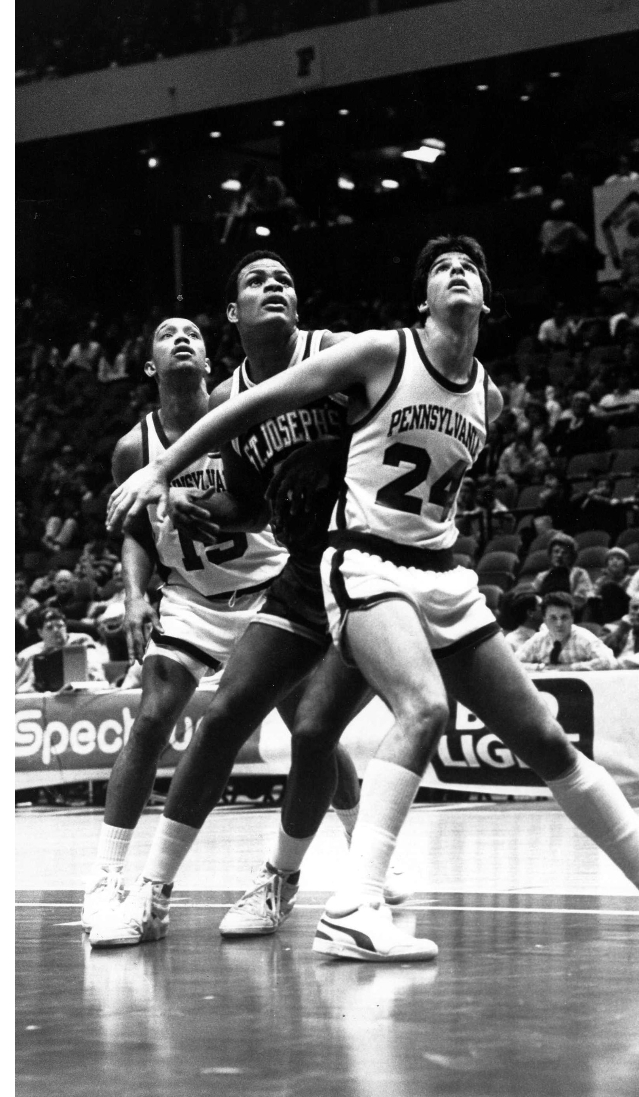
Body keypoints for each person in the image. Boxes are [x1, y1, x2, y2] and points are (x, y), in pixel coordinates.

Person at [106, 236, 639, 962]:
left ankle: (286, 877)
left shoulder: (470, 391)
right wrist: (168, 475)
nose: (457, 276)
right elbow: (249, 454)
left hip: (426, 568)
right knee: (271, 711)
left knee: (321, 730)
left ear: (488, 299)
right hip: (342, 563)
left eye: (470, 271)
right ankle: (177, 890)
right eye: (440, 269)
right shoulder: (355, 359)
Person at [92, 251, 395, 947]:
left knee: (320, 727)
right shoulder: (230, 403)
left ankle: (326, 876)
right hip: (293, 573)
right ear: (233, 313)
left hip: (365, 557)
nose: (273, 287)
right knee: (226, 713)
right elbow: (249, 500)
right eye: (256, 281)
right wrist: (213, 514)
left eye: (285, 278)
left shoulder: (337, 355)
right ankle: (151, 892)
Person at [82, 315, 290, 948]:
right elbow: (137, 533)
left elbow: (276, 498)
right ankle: (108, 876)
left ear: (208, 360)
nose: (181, 339)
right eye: (167, 334)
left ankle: (365, 858)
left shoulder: (240, 411)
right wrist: (134, 591)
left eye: (193, 334)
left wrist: (224, 510)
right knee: (151, 719)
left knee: (312, 726)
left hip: (266, 588)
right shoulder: (132, 449)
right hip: (192, 598)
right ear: (151, 366)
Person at [514, 592, 616, 671]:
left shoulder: (583, 637)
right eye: (553, 618)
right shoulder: (538, 640)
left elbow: (609, 661)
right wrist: (540, 667)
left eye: (564, 617)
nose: (559, 624)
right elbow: (513, 664)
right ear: (544, 619)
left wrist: (572, 668)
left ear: (572, 618)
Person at [16, 605, 109, 691]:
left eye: (60, 626)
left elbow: (96, 672)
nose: (56, 630)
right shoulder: (28, 655)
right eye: (49, 628)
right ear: (40, 632)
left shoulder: (82, 641)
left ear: (66, 627)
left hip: (83, 692)